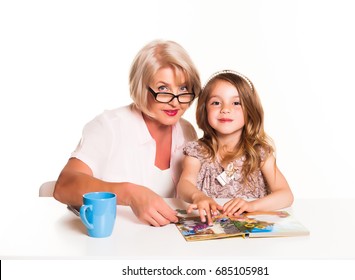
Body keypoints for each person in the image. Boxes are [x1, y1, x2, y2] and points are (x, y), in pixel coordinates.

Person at [53, 39, 201, 227]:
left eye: (183, 88)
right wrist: (130, 194)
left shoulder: (187, 131)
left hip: (168, 245)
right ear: (141, 87)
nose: (175, 102)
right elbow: (63, 187)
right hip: (112, 245)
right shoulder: (109, 126)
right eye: (163, 88)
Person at [177, 70, 294, 224]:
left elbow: (286, 195)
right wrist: (198, 197)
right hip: (211, 233)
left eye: (236, 103)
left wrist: (251, 205)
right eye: (216, 103)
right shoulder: (197, 151)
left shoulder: (259, 154)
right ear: (204, 110)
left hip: (251, 234)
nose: (226, 109)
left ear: (250, 111)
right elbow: (185, 184)